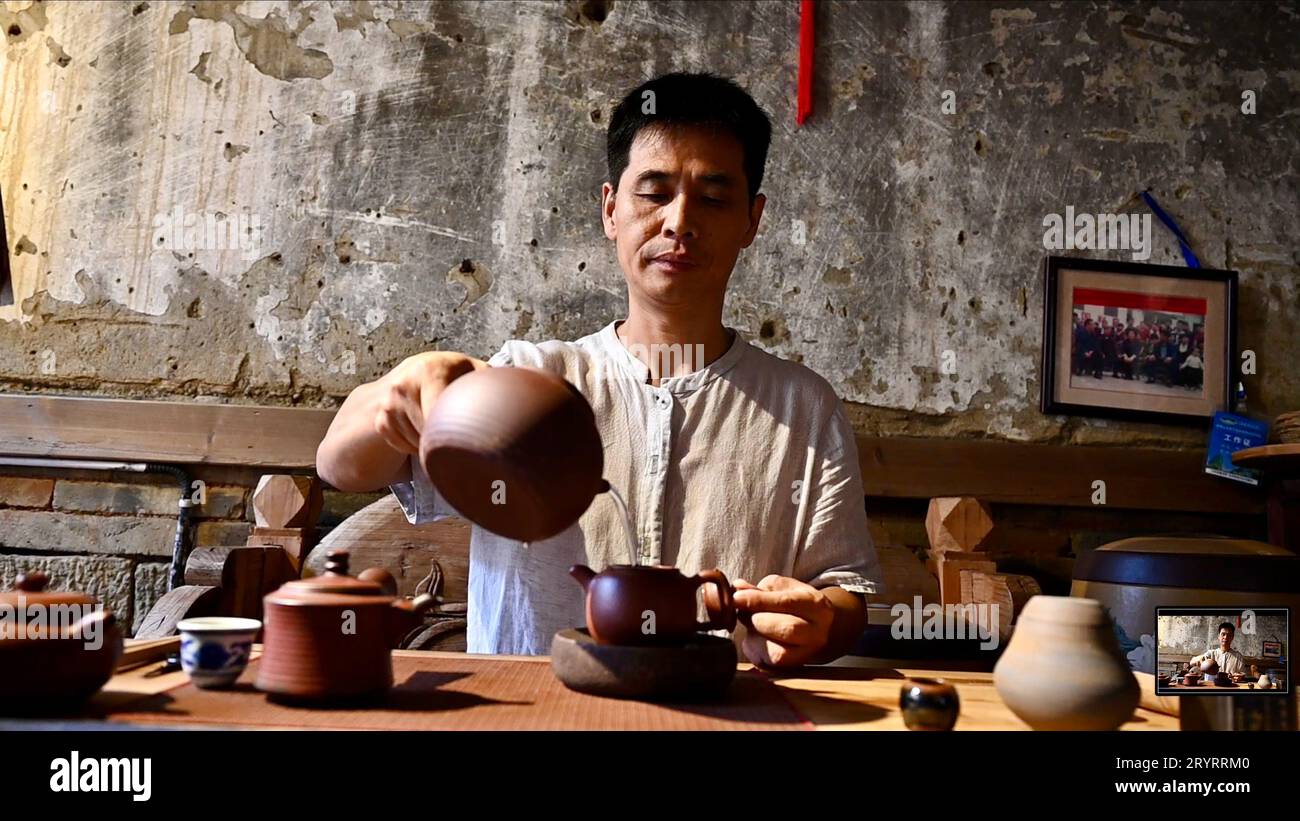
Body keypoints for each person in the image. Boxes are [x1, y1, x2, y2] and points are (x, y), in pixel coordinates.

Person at [315, 72, 881, 667]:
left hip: (725, 712)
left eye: (713, 198)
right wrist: (396, 393)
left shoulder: (803, 407)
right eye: (654, 193)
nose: (679, 222)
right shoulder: (527, 381)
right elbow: (339, 465)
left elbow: (845, 592)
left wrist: (819, 622)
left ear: (751, 221)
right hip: (528, 715)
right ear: (611, 210)